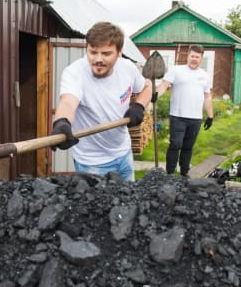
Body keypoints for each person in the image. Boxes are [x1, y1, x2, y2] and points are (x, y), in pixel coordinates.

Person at [51, 21, 152, 182]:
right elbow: (68, 102)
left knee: (130, 203)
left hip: (124, 153)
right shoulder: (75, 73)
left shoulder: (128, 68)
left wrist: (139, 106)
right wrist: (62, 122)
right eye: (93, 52)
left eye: (106, 54)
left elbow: (147, 87)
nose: (98, 59)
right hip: (92, 163)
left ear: (119, 53)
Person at [155, 44, 214, 177]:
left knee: (188, 147)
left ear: (201, 58)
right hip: (177, 116)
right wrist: (156, 95)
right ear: (188, 56)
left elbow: (207, 96)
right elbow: (164, 85)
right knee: (175, 144)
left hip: (195, 118)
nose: (194, 59)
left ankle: (184, 173)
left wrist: (210, 116)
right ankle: (169, 173)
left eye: (197, 57)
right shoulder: (176, 70)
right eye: (192, 56)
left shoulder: (205, 75)